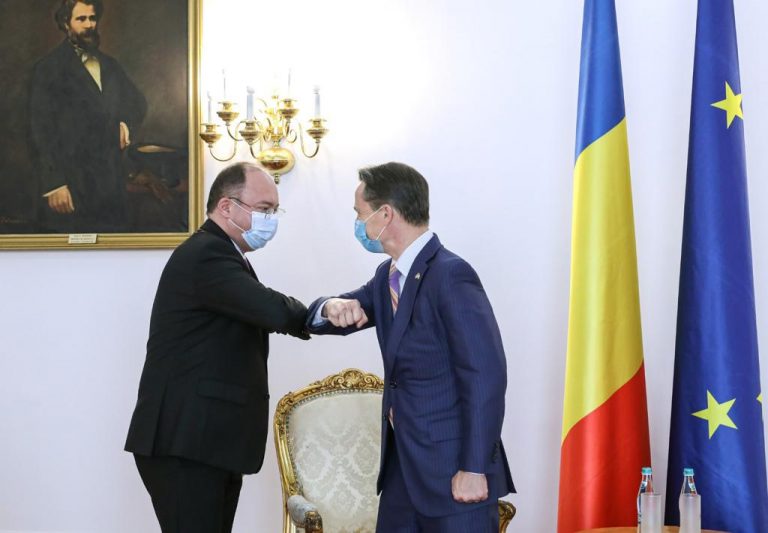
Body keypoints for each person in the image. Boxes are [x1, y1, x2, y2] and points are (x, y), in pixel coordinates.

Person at [307, 162, 515, 532]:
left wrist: (474, 467)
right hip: (403, 471)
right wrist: (330, 306)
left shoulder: (450, 274)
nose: (358, 223)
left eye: (359, 213)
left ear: (385, 214)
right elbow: (334, 315)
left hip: (453, 472)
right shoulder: (387, 277)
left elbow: (485, 375)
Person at [125, 162, 309, 533]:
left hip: (206, 441)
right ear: (227, 206)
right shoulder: (207, 254)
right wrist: (324, 313)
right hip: (186, 443)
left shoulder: (222, 253)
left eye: (275, 211)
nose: (271, 220)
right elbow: (271, 309)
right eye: (264, 209)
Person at [28, 0, 147, 233]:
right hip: (70, 188)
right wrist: (55, 184)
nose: (89, 25)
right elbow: (39, 130)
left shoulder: (110, 65)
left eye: (92, 18)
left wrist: (125, 124)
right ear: (66, 23)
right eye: (81, 19)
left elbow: (137, 103)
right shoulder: (48, 68)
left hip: (110, 185)